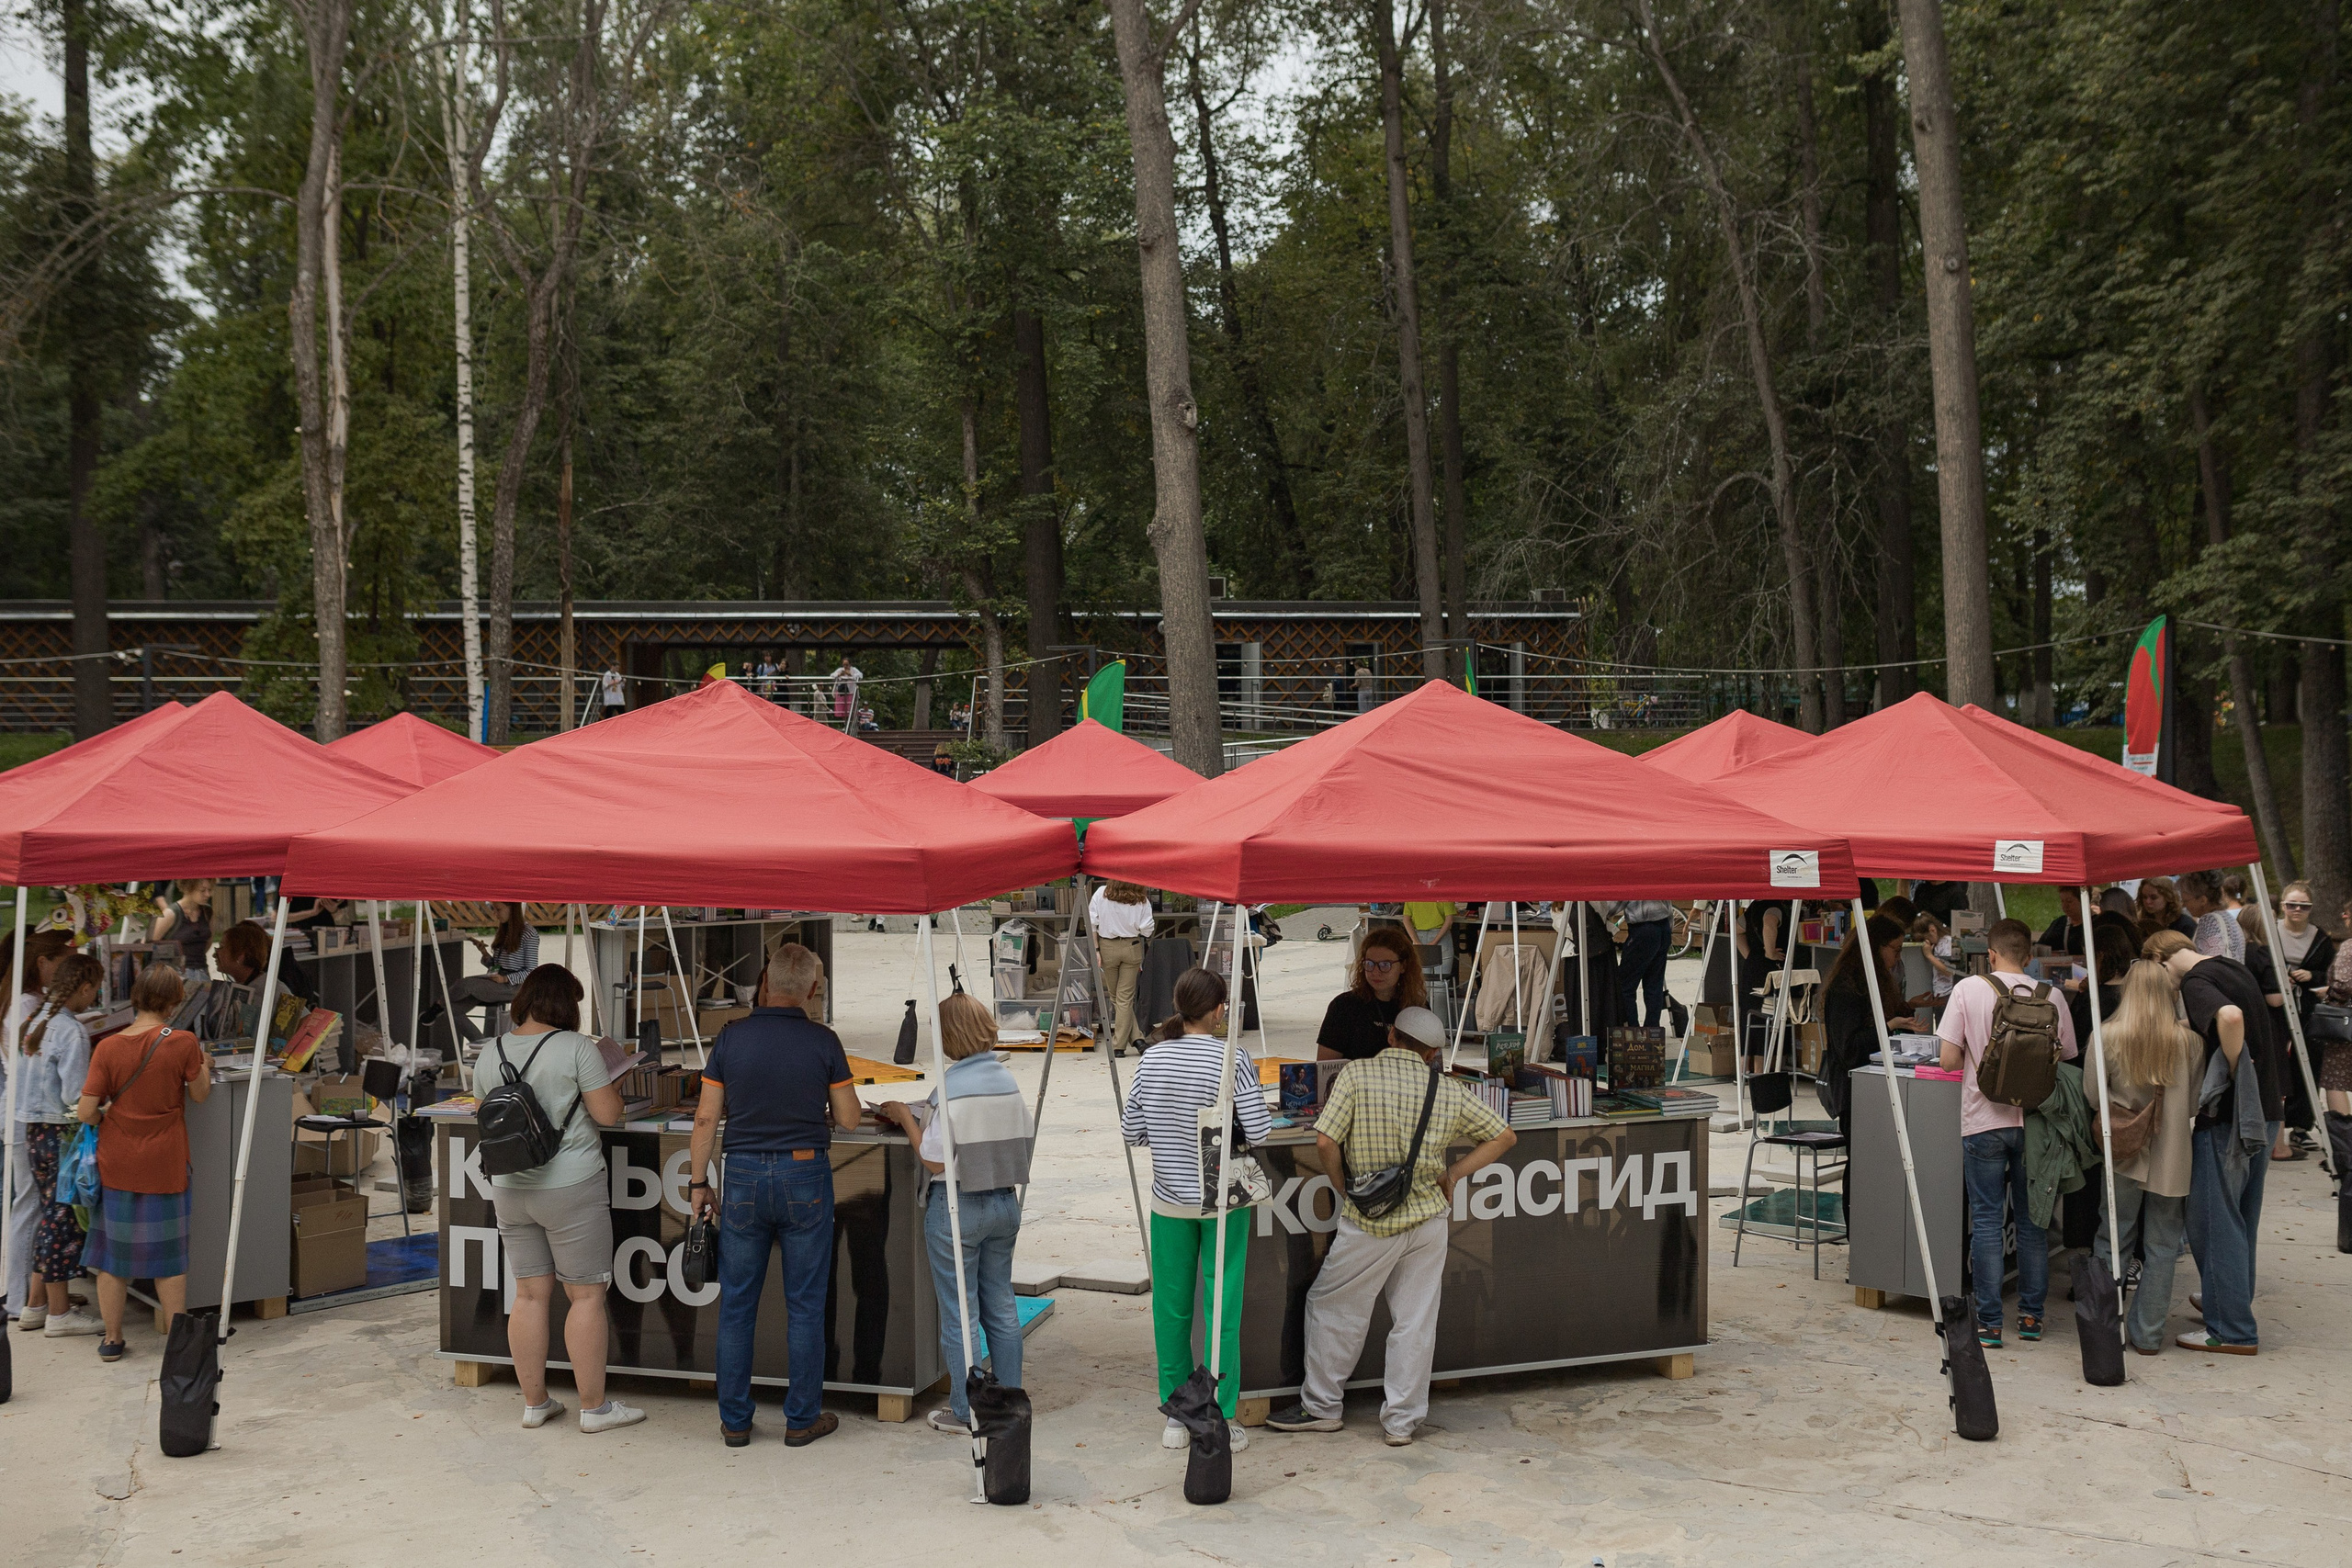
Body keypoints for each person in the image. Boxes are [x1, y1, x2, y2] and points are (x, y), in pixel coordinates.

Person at [1264, 1006, 1515, 1446]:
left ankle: (1322, 1406)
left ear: (1392, 1037)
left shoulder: (1358, 1076)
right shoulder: (1447, 1089)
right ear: (1432, 1053)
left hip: (1371, 1220)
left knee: (1333, 1305)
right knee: (1415, 1320)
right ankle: (1401, 1422)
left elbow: (1325, 1140)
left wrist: (1344, 1189)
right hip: (1429, 1217)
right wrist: (1453, 1175)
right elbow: (1504, 1136)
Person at [687, 942, 861, 1448]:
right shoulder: (823, 1040)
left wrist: (699, 1182)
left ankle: (736, 1422)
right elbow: (849, 1117)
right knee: (805, 1305)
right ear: (811, 989)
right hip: (805, 1175)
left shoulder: (731, 1038)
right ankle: (801, 1419)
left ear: (764, 983)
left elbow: (705, 1118)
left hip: (740, 1175)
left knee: (737, 1304)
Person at [464, 964, 637, 1430]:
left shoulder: (489, 1051)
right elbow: (607, 1115)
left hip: (510, 1188)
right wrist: (614, 1086)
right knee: (585, 1297)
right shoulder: (577, 1047)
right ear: (566, 1005)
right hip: (570, 1187)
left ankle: (535, 1403)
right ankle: (595, 1408)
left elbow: (486, 1118)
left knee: (530, 1295)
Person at [1120, 967, 1270, 1451]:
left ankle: (1176, 1413)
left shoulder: (1151, 1059)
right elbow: (1261, 1131)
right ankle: (1221, 1414)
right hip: (1222, 1201)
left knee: (1171, 1311)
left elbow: (1132, 1132)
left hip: (1169, 1202)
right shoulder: (1233, 1058)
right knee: (1221, 1308)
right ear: (1220, 1008)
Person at [872, 991, 1032, 1436]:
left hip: (958, 1205)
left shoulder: (950, 1089)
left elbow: (936, 1160)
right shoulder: (1006, 1081)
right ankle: (1011, 1403)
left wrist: (907, 1117)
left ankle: (968, 1411)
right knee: (1001, 1305)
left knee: (960, 1315)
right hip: (1004, 1201)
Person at [1936, 918, 2079, 1348]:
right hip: (2034, 1124)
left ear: (1991, 954)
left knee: (1985, 1222)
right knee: (2034, 1224)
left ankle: (1989, 1324)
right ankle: (2032, 1319)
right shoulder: (2050, 995)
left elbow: (1946, 1061)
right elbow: (2068, 1055)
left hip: (1982, 1121)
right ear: (2030, 956)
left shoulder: (1967, 989)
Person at [2148, 927, 2281, 1354]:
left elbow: (2230, 1018)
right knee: (2242, 1218)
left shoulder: (2194, 981)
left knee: (2213, 1222)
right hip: (2264, 1114)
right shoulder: (2231, 969)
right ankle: (2228, 1302)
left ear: (2160, 960)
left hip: (2229, 1119)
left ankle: (2231, 1329)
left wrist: (2231, 1065)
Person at [76, 964, 212, 1364]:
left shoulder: (108, 1047)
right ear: (173, 1001)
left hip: (117, 1162)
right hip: (166, 1163)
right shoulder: (183, 1042)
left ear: (136, 997)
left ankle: (113, 1339)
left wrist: (109, 1119)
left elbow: (86, 1111)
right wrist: (203, 1064)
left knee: (112, 1259)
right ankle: (178, 1345)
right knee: (169, 1261)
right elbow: (201, 1094)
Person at [2089, 958, 2202, 1354]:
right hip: (2173, 1153)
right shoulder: (2189, 1042)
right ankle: (2149, 1333)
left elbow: (2092, 1094)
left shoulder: (2106, 1035)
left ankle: (2105, 1330)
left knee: (2112, 1238)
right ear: (2170, 994)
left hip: (2123, 1151)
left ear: (2128, 991)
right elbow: (2192, 1105)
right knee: (2164, 1245)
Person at [14, 953, 105, 1337]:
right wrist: (101, 1110)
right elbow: (74, 1095)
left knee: (50, 1211)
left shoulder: (35, 1019)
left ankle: (36, 1304)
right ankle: (60, 1313)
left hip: (32, 1130)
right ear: (84, 988)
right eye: (94, 992)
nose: (94, 999)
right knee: (62, 1217)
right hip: (58, 1132)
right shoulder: (70, 1030)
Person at [5, 929, 78, 1324]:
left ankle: (38, 1293)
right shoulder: (28, 1004)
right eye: (60, 963)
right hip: (27, 1116)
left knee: (38, 1206)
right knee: (34, 1207)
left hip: (25, 1115)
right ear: (42, 963)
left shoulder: (31, 1004)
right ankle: (21, 1297)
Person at [1817, 914, 1907, 1141]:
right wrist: (1889, 1026)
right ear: (1876, 947)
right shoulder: (1847, 987)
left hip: (1871, 1084)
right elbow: (1849, 1048)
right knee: (1860, 1159)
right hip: (1853, 1089)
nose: (1898, 958)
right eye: (1895, 950)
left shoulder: (1873, 980)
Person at [2239, 908, 2302, 1163]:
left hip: (2247, 1024)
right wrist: (2288, 986)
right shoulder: (2264, 953)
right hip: (2270, 1027)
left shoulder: (2241, 951)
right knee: (2277, 1087)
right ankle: (2278, 1146)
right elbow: (2274, 998)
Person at [1317, 927, 1427, 1062]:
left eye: (1385, 965)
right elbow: (1325, 1067)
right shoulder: (1344, 1006)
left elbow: (1430, 1063)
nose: (1375, 972)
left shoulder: (1418, 1007)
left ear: (1403, 966)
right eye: (1369, 964)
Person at [448, 902, 537, 1042]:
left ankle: (438, 1004)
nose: (495, 914)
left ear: (511, 909)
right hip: (497, 982)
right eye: (493, 909)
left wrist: (506, 979)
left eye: (498, 909)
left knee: (465, 984)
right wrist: (484, 954)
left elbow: (531, 971)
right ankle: (481, 1043)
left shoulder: (529, 934)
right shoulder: (505, 930)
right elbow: (496, 966)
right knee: (452, 1010)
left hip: (514, 986)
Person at [1090, 881, 1154, 1055]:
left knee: (1117, 998)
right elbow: (1147, 929)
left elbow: (1092, 923)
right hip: (1131, 946)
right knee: (1124, 998)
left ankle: (1118, 1045)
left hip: (1107, 946)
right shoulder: (1141, 900)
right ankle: (1137, 1040)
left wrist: (1096, 950)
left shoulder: (1101, 893)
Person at [1603, 899, 1674, 1029]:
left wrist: (1597, 912)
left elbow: (1614, 904)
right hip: (1664, 926)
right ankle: (1652, 1032)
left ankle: (1632, 1032)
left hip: (1643, 928)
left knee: (1624, 984)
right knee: (1654, 984)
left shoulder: (1631, 878)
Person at [215, 919, 319, 1006]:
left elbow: (303, 1020)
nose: (215, 953)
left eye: (222, 947)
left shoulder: (269, 990)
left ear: (240, 956)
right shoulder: (249, 984)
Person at [150, 879, 215, 972]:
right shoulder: (171, 913)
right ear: (188, 889)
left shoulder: (207, 912)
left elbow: (209, 941)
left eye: (210, 890)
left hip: (202, 970)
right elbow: (147, 945)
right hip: (176, 973)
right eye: (202, 890)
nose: (208, 894)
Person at [2180, 871, 2244, 963]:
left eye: (2186, 901)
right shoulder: (2224, 917)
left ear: (2203, 900)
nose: (2183, 905)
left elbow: (2211, 962)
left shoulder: (2210, 921)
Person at [1908, 913, 1958, 1008]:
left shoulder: (1946, 943)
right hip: (1940, 993)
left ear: (1932, 930)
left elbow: (1950, 971)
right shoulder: (1936, 944)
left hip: (1948, 994)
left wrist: (1929, 955)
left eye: (1925, 939)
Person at [2137, 876, 2195, 943]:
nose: (2148, 902)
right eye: (2144, 897)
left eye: (2153, 897)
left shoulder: (2185, 925)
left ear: (2168, 897)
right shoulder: (2141, 923)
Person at [2039, 886, 2086, 957]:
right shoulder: (2059, 923)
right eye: (2062, 901)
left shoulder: (2095, 924)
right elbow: (2040, 946)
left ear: (2083, 901)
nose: (2065, 906)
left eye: (2069, 901)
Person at [830, 660, 864, 728]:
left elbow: (860, 675)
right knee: (843, 710)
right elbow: (832, 675)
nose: (845, 667)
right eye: (844, 665)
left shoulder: (854, 670)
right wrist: (839, 675)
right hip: (842, 692)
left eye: (847, 665)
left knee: (850, 709)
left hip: (851, 692)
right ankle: (845, 724)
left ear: (850, 665)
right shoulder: (840, 670)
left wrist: (850, 674)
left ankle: (850, 725)